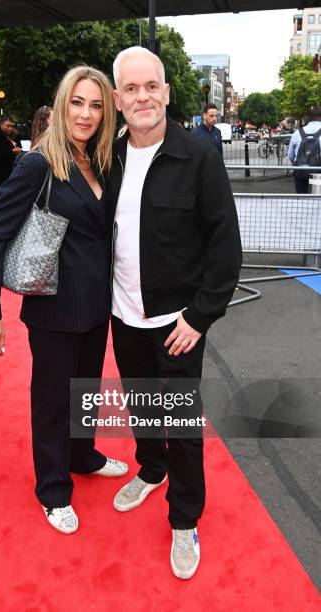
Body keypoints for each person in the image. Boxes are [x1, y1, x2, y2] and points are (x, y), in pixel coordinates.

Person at [108, 47, 241, 579]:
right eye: (131, 89)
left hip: (178, 324)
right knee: (142, 407)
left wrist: (200, 316)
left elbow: (225, 245)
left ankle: (185, 518)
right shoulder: (108, 156)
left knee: (182, 424)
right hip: (123, 316)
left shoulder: (199, 156)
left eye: (151, 86)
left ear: (166, 91)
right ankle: (150, 469)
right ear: (118, 99)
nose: (142, 97)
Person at [0, 66, 127, 535]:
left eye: (96, 104)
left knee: (86, 391)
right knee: (51, 401)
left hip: (95, 304)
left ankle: (82, 456)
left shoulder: (100, 161)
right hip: (53, 307)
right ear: (63, 105)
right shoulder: (38, 163)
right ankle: (53, 489)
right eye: (78, 102)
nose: (86, 113)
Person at [288, 107, 321, 194]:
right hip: (319, 173)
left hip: (301, 172)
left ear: (309, 118)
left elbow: (290, 156)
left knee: (302, 200)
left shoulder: (297, 133)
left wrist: (299, 165)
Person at [0, 116, 23, 191]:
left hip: (12, 171)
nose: (10, 128)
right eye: (8, 126)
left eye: (11, 126)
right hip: (2, 173)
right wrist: (12, 152)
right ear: (1, 125)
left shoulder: (11, 136)